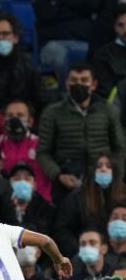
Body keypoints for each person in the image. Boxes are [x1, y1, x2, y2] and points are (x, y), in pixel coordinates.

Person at [36, 63, 126, 205]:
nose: (79, 84)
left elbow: (120, 148)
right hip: (66, 184)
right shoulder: (52, 113)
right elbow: (43, 152)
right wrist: (58, 175)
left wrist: (114, 176)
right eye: (74, 80)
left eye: (84, 80)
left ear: (94, 84)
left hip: (104, 182)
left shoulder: (108, 111)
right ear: (67, 84)